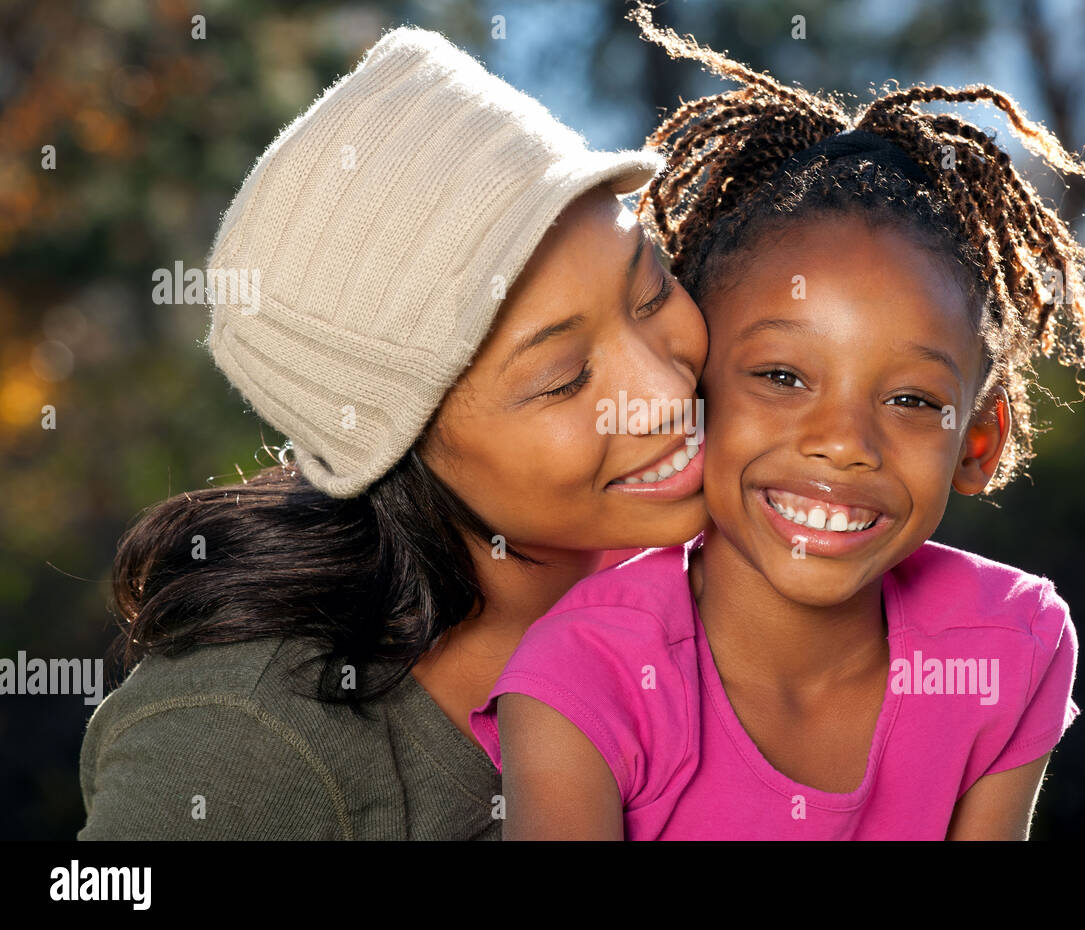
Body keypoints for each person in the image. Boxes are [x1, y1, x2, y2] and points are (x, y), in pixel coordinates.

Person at [467, 5, 1085, 839]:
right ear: (692, 396)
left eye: (912, 400)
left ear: (978, 444)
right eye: (781, 376)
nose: (844, 442)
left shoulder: (1010, 643)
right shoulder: (586, 679)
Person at [78, 25, 708, 840]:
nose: (662, 392)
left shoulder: (748, 550)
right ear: (397, 446)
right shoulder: (249, 737)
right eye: (564, 380)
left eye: (651, 291)